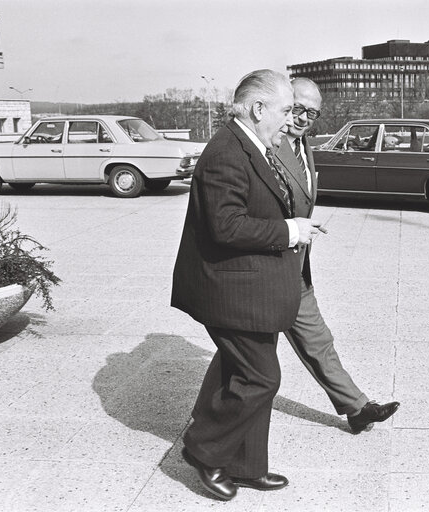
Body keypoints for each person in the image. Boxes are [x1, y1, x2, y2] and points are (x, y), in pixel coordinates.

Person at [171, 70, 324, 501]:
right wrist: (289, 231)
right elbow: (226, 225)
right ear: (258, 109)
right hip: (228, 290)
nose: (290, 119)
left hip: (253, 289)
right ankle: (205, 450)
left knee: (242, 372)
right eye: (285, 110)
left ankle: (247, 466)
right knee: (261, 378)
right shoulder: (227, 151)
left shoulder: (252, 143)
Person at [275, 78, 399, 434]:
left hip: (293, 266)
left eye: (311, 114)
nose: (302, 118)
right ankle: (206, 423)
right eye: (297, 108)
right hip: (267, 268)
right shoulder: (267, 144)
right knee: (246, 358)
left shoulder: (302, 145)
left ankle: (357, 409)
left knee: (317, 339)